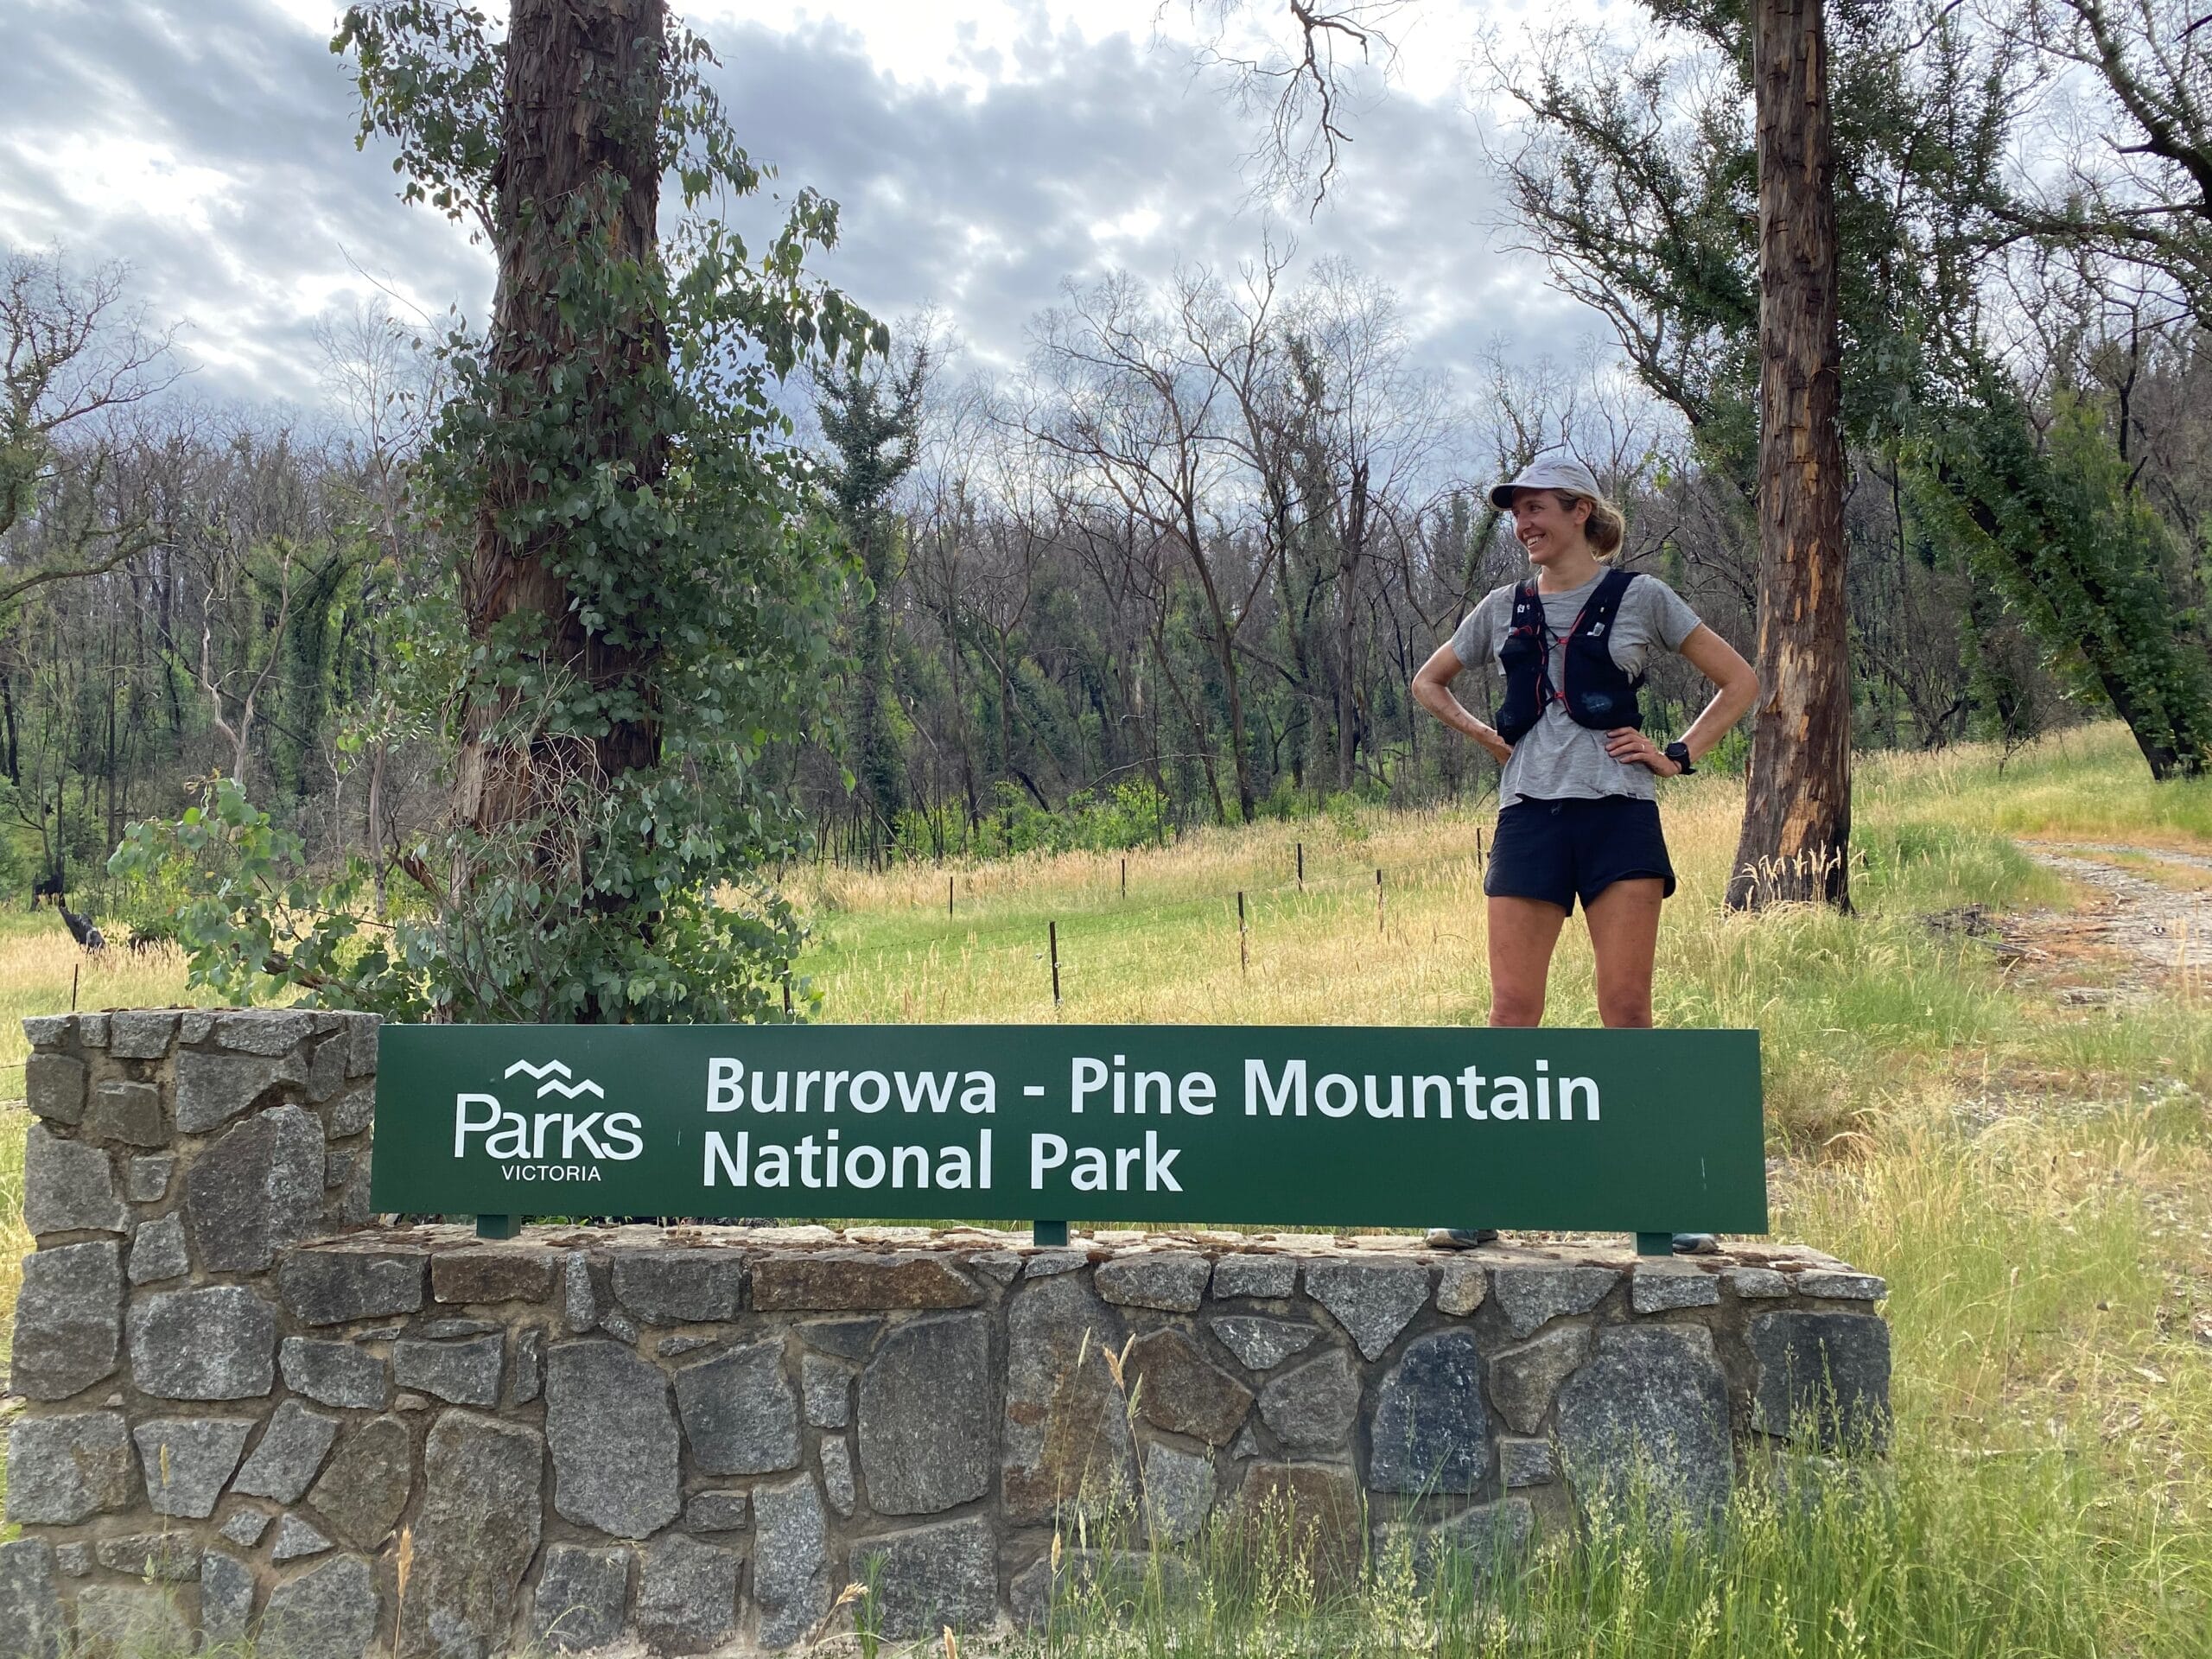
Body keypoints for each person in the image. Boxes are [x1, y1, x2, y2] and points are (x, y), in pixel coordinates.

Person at [1408, 455, 1758, 1255]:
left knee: (1626, 1012)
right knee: (1511, 1014)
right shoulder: (1502, 608)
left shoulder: (1643, 598)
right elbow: (1430, 682)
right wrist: (1485, 736)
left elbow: (1741, 681)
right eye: (1516, 513)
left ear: (1578, 512)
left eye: (1537, 510)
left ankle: (1659, 1201)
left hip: (1620, 822)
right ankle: (1482, 1198)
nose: (1524, 525)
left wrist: (1678, 752)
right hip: (1529, 819)